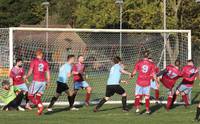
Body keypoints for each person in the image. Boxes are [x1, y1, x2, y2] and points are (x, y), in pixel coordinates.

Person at [25, 49, 50, 115]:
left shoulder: (34, 61)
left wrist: (26, 77)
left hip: (36, 81)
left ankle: (40, 106)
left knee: (30, 96)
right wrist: (48, 82)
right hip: (43, 82)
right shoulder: (45, 63)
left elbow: (30, 72)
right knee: (38, 97)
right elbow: (48, 73)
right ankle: (39, 111)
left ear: (38, 54)